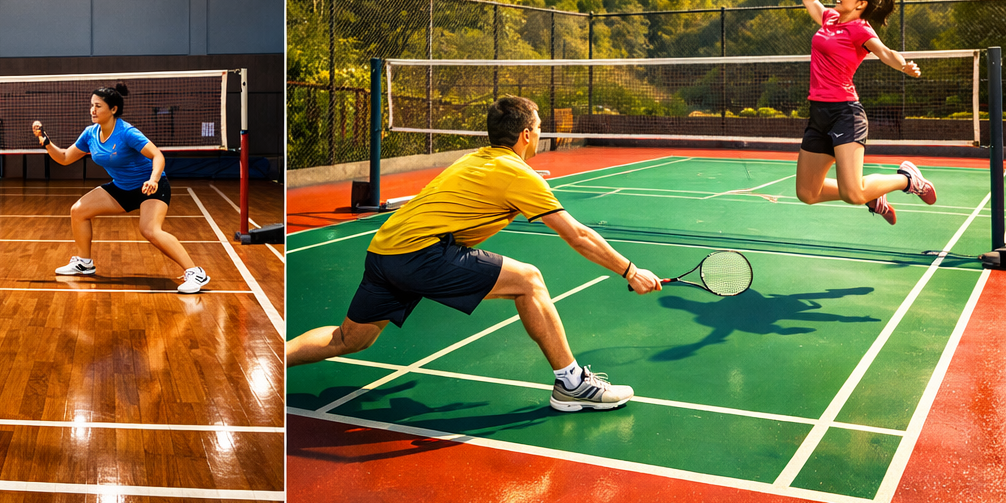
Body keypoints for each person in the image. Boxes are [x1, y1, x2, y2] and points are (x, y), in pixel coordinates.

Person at [286, 95, 664, 412]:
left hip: (385, 250)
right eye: (539, 129)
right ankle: (572, 385)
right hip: (421, 254)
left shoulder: (475, 159)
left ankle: (277, 357)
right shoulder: (518, 174)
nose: (540, 136)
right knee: (529, 281)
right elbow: (578, 235)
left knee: (348, 339)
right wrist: (629, 270)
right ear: (527, 134)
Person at [794, 0, 937, 222]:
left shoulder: (861, 29)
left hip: (844, 114)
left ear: (860, 4)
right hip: (818, 113)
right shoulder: (830, 19)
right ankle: (871, 195)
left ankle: (907, 180)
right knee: (807, 193)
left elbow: (884, 52)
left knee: (853, 193)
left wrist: (904, 65)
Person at [34, 84, 211, 294]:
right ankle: (84, 262)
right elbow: (64, 158)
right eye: (91, 105)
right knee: (78, 211)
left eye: (98, 106)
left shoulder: (127, 132)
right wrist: (46, 142)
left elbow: (157, 156)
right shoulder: (90, 134)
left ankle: (195, 272)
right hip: (122, 188)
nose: (93, 110)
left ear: (113, 109)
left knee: (150, 230)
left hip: (150, 187)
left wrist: (154, 179)